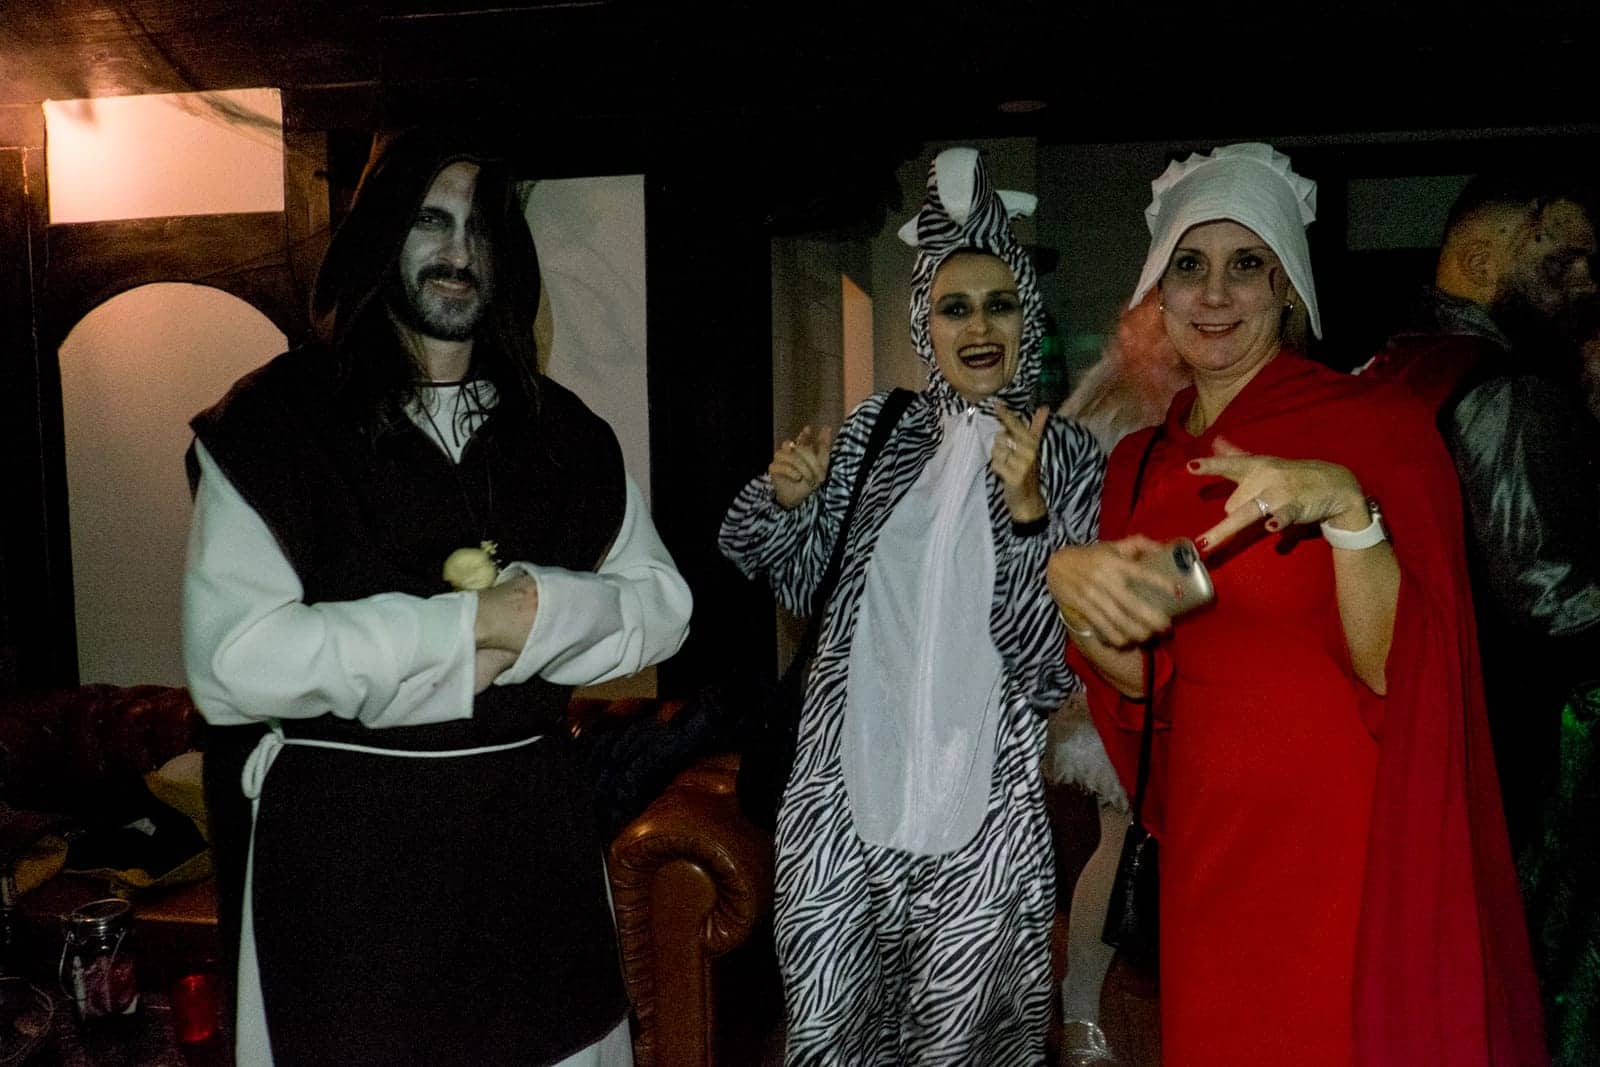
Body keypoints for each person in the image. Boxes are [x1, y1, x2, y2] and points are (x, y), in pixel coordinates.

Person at [181, 128, 692, 1067]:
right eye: (430, 220)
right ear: (381, 235)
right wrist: (462, 633)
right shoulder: (274, 422)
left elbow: (663, 604)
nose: (459, 252)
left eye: (481, 229)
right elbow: (233, 661)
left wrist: (538, 613)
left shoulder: (563, 432)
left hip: (529, 852)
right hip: (349, 869)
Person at [1046, 142, 1545, 1067]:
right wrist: (1075, 595)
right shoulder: (1137, 464)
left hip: (1350, 849)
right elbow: (1146, 687)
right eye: (1189, 266)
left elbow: (1410, 677)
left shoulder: (1375, 428)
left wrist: (1348, 515)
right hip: (1211, 848)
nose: (1216, 294)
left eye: (1248, 266)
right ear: (1158, 293)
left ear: (1289, 290)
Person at [719, 146, 1104, 1064]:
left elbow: (1051, 669)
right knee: (831, 1039)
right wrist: (786, 500)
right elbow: (791, 578)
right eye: (954, 306)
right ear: (924, 322)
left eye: (999, 303)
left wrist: (1025, 517)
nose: (979, 328)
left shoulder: (1072, 458)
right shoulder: (876, 431)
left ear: (1028, 314)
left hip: (979, 829)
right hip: (841, 811)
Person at [1359, 175, 1599, 860]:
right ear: (1481, 265)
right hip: (1497, 753)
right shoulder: (1505, 389)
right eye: (1558, 263)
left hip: (1403, 739)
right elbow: (1549, 597)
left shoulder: (1392, 364)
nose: (1584, 284)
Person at [1046, 291, 1188, 1066]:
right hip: (1119, 652)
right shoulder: (1111, 408)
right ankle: (1080, 1012)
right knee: (1122, 835)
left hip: (1196, 658)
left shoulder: (1209, 409)